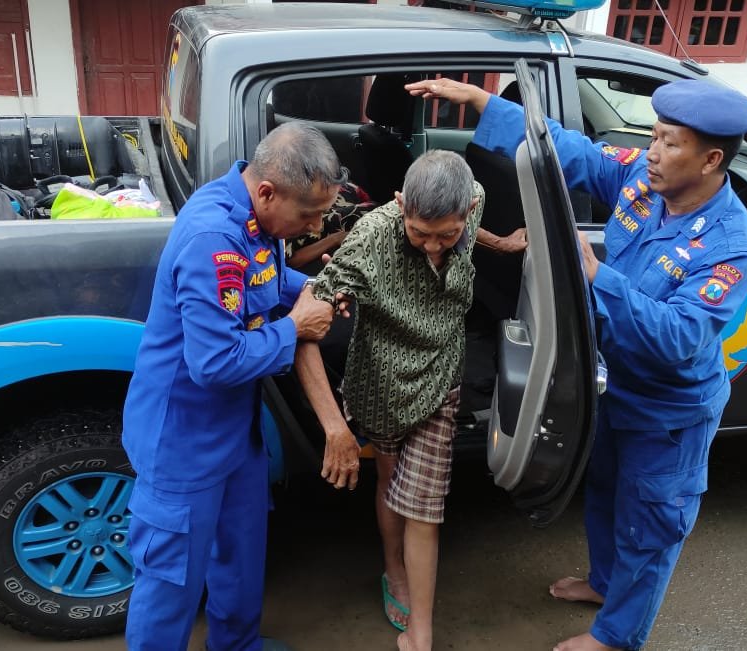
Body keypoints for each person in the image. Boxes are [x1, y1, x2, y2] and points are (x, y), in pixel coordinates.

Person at [405, 77, 747, 651]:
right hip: (611, 383)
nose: (651, 151)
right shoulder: (644, 182)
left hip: (669, 409)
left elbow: (680, 337)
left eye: (670, 142)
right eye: (653, 135)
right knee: (603, 488)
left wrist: (597, 277)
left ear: (711, 159)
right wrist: (487, 106)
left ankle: (617, 635)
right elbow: (576, 155)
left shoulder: (730, 244)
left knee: (651, 524)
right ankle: (604, 583)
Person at [121, 122, 346, 651]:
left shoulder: (250, 209)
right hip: (180, 441)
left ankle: (237, 645)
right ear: (268, 191)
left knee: (240, 555)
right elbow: (215, 362)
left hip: (234, 435)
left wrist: (311, 289)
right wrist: (295, 328)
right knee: (170, 580)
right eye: (309, 215)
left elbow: (262, 279)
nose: (315, 228)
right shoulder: (212, 237)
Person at [295, 150, 528, 651]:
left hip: (441, 377)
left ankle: (420, 633)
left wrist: (502, 245)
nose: (434, 246)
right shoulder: (369, 241)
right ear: (401, 204)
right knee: (388, 478)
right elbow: (303, 326)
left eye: (448, 235)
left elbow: (470, 228)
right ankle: (392, 566)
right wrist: (335, 427)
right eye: (420, 233)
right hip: (379, 384)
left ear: (468, 209)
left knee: (424, 505)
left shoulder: (474, 202)